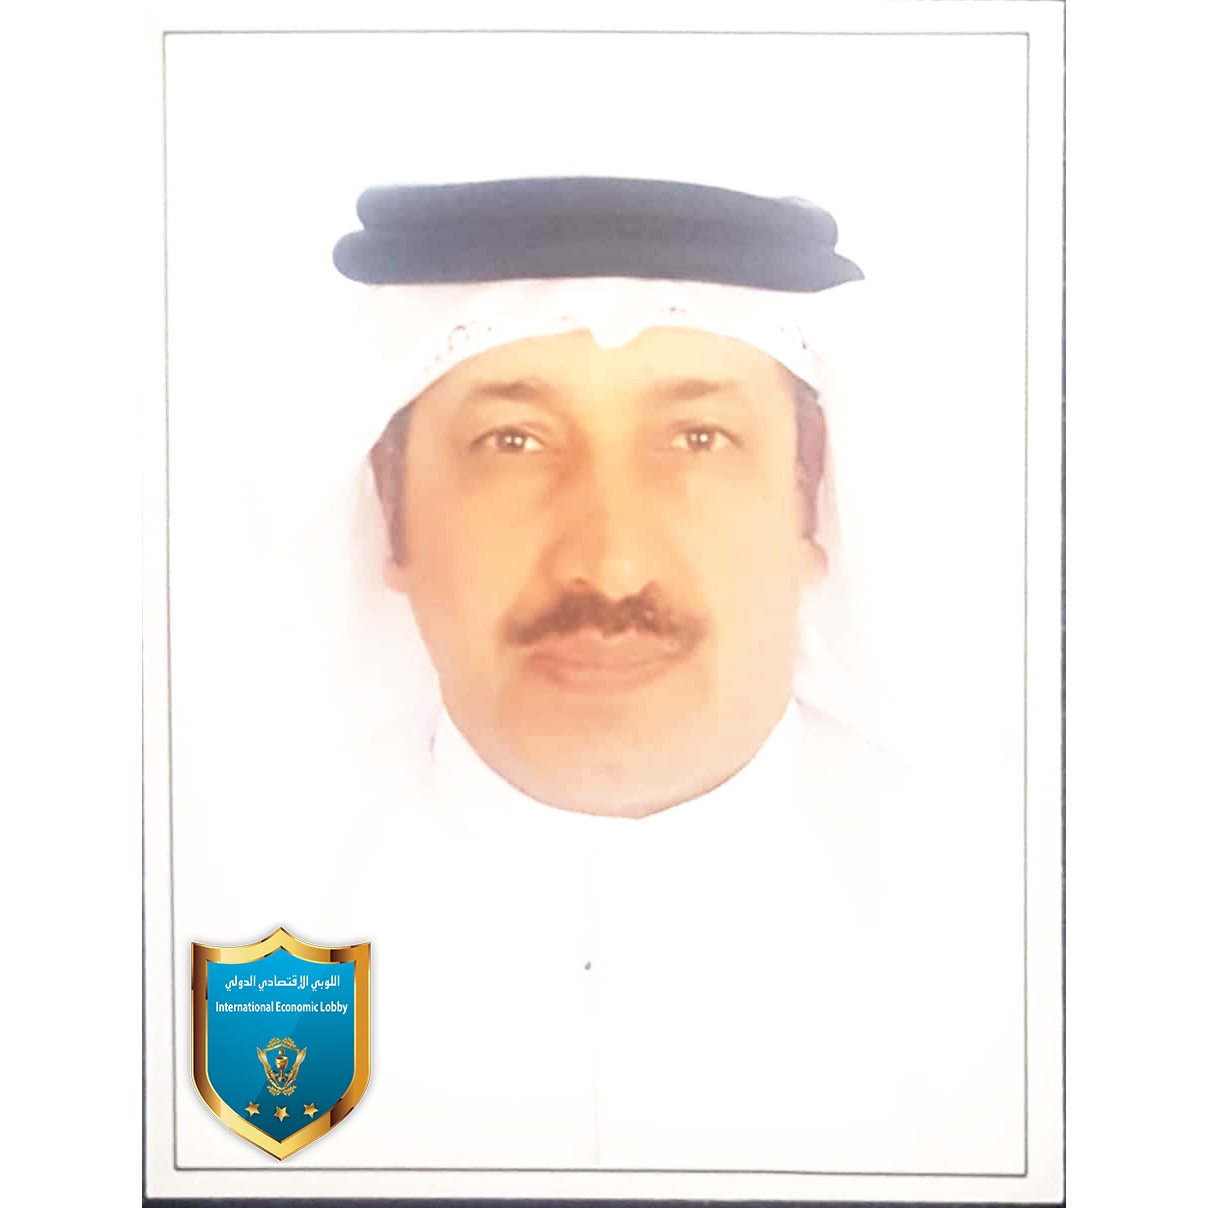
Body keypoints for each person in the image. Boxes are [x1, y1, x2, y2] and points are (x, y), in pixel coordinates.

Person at [197, 178, 1023, 1172]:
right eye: (512, 442)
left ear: (805, 497)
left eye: (697, 439)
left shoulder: (1017, 938)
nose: (611, 562)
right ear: (395, 508)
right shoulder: (202, 911)